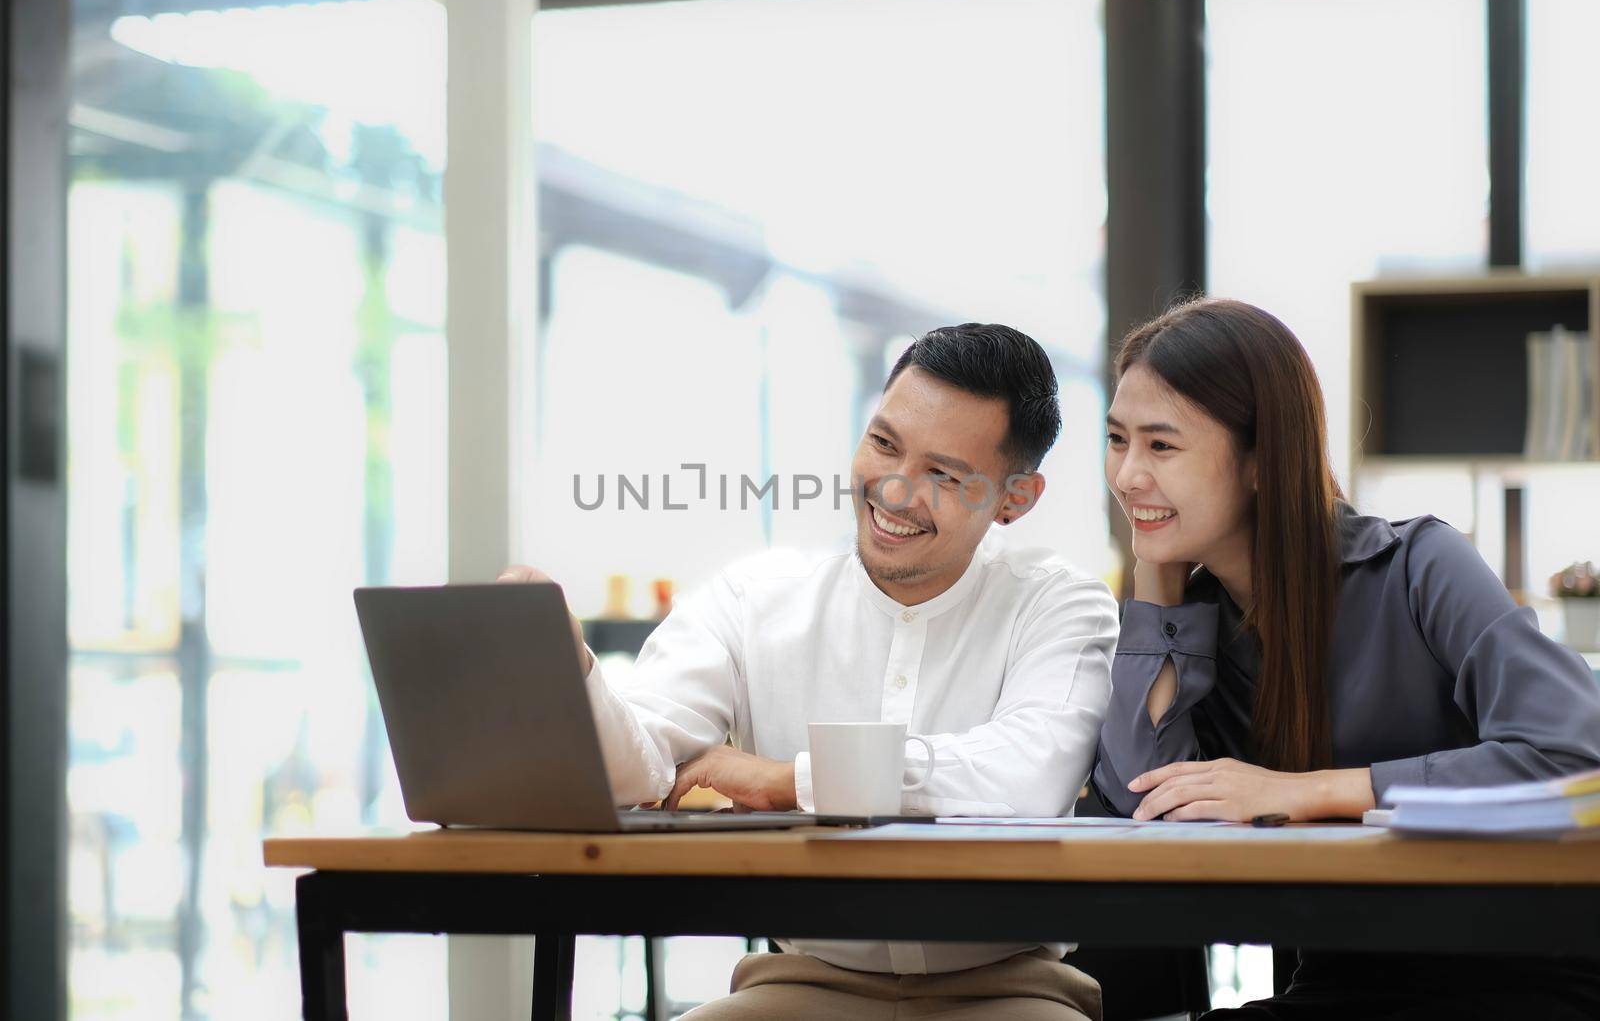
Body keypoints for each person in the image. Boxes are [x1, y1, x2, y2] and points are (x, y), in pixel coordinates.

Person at [503, 323, 1116, 1020]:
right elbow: (641, 764)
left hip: (1012, 990)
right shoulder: (753, 598)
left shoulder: (1060, 602)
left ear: (1016, 498)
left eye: (943, 474)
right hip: (801, 985)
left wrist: (789, 779)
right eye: (884, 444)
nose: (893, 489)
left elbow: (1025, 776)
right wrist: (569, 672)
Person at [1091, 297, 1600, 1020]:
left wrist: (1308, 790)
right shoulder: (1192, 620)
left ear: (1262, 458)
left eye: (1161, 446)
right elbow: (1140, 799)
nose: (1127, 474)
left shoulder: (1419, 564)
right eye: (1117, 439)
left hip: (1530, 974)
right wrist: (1158, 587)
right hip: (1342, 982)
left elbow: (1575, 755)